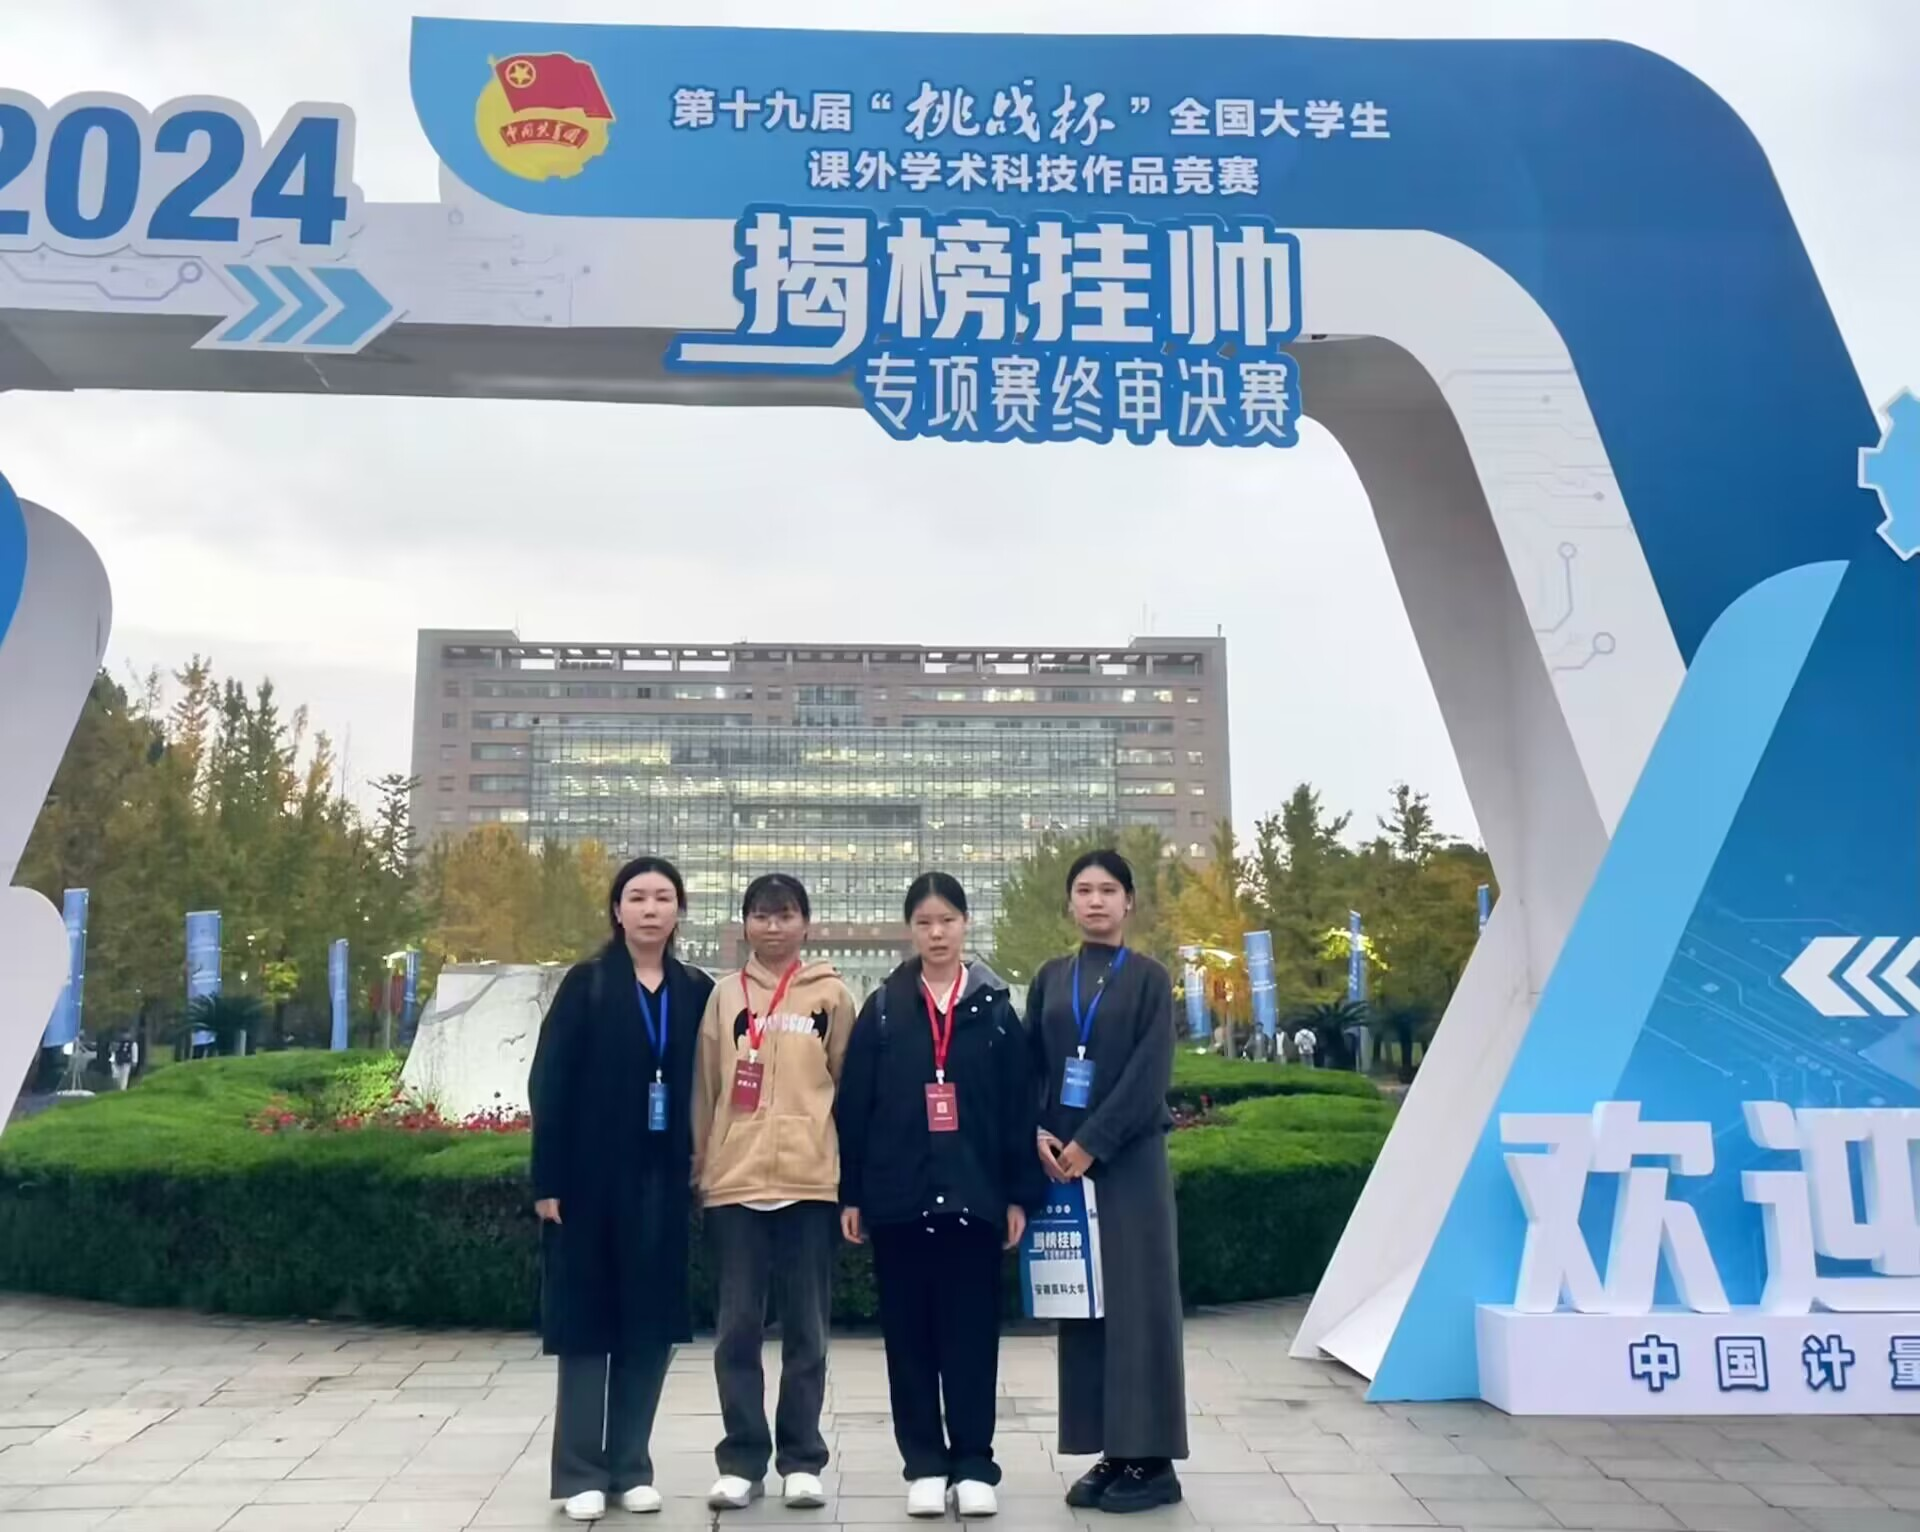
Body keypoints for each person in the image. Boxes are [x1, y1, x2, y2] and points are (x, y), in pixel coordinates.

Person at [836, 872, 1045, 1520]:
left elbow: (1017, 1109)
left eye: (947, 920)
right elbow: (856, 1107)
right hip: (899, 1200)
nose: (936, 933)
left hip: (974, 1201)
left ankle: (974, 1463)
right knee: (909, 1340)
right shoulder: (883, 1008)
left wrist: (1017, 1196)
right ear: (910, 930)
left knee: (972, 1338)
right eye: (924, 922)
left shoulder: (993, 1010)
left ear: (965, 925)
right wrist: (853, 1193)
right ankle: (924, 1463)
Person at [529, 855, 715, 1523]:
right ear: (616, 910)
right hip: (588, 1181)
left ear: (678, 911)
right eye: (637, 897)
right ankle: (581, 1470)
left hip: (661, 1181)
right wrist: (548, 1179)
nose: (650, 909)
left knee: (649, 1323)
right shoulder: (587, 985)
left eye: (663, 897)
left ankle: (631, 1465)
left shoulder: (696, 990)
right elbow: (549, 1082)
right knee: (586, 1325)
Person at [1028, 849, 1188, 1515]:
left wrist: (1093, 1141)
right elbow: (1031, 1065)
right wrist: (1038, 1130)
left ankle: (1153, 1460)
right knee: (1086, 1307)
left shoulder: (1149, 979)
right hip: (1063, 1168)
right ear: (1070, 902)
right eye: (1084, 890)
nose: (1095, 901)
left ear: (1129, 902)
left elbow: (1150, 1074)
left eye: (1108, 890)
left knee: (1138, 1304)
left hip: (1130, 1165)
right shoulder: (1051, 977)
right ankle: (1112, 1452)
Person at [693, 873, 857, 1513]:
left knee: (806, 1332)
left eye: (785, 914)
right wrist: (703, 1164)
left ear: (805, 924)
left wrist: (848, 1177)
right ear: (745, 925)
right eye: (761, 915)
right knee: (736, 1330)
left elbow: (848, 1087)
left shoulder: (832, 995)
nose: (773, 926)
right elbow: (706, 1087)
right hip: (735, 1184)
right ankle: (741, 1460)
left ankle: (802, 1460)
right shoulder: (725, 996)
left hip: (809, 1183)